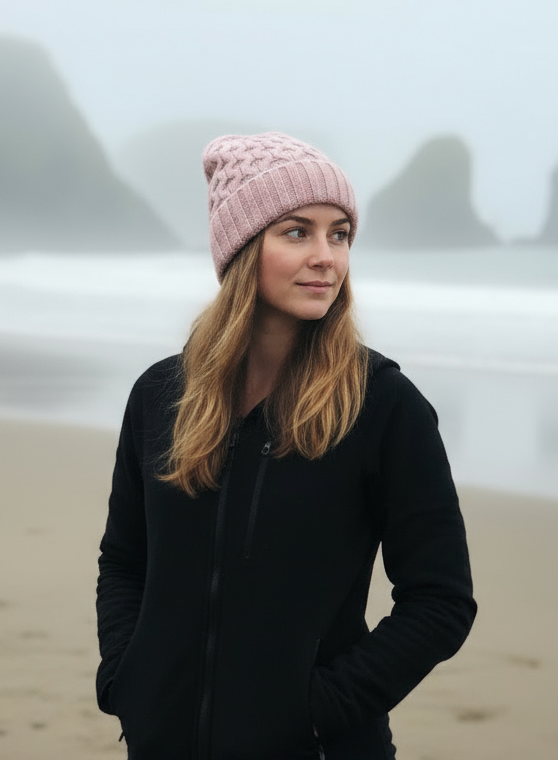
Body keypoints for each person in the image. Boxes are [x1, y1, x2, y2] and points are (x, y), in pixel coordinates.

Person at [96, 132, 476, 760]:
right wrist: (127, 680)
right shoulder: (161, 396)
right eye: (297, 232)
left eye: (341, 233)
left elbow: (441, 601)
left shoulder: (382, 405)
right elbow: (125, 560)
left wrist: (319, 710)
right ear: (244, 247)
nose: (326, 256)